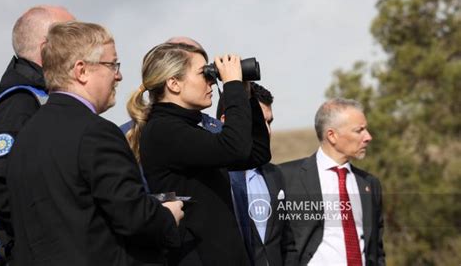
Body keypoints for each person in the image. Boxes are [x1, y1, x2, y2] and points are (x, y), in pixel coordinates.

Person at [6, 21, 183, 266]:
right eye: (112, 64)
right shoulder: (95, 133)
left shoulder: (26, 136)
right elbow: (134, 217)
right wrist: (166, 216)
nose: (118, 75)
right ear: (81, 71)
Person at [126, 42, 271, 266]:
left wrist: (246, 93)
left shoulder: (187, 127)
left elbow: (256, 154)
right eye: (204, 74)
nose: (212, 80)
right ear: (174, 83)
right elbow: (235, 148)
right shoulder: (163, 130)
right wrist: (231, 86)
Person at [0, 5, 75, 265]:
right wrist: (56, 226)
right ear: (47, 46)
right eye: (74, 35)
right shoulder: (19, 104)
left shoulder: (43, 99)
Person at [279, 98, 385, 265]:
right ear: (332, 136)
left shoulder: (369, 184)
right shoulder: (285, 177)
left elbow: (376, 250)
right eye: (359, 130)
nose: (368, 137)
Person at [217, 82, 298, 266]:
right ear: (226, 120)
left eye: (270, 122)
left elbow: (287, 243)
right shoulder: (214, 177)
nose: (267, 131)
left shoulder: (275, 174)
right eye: (260, 122)